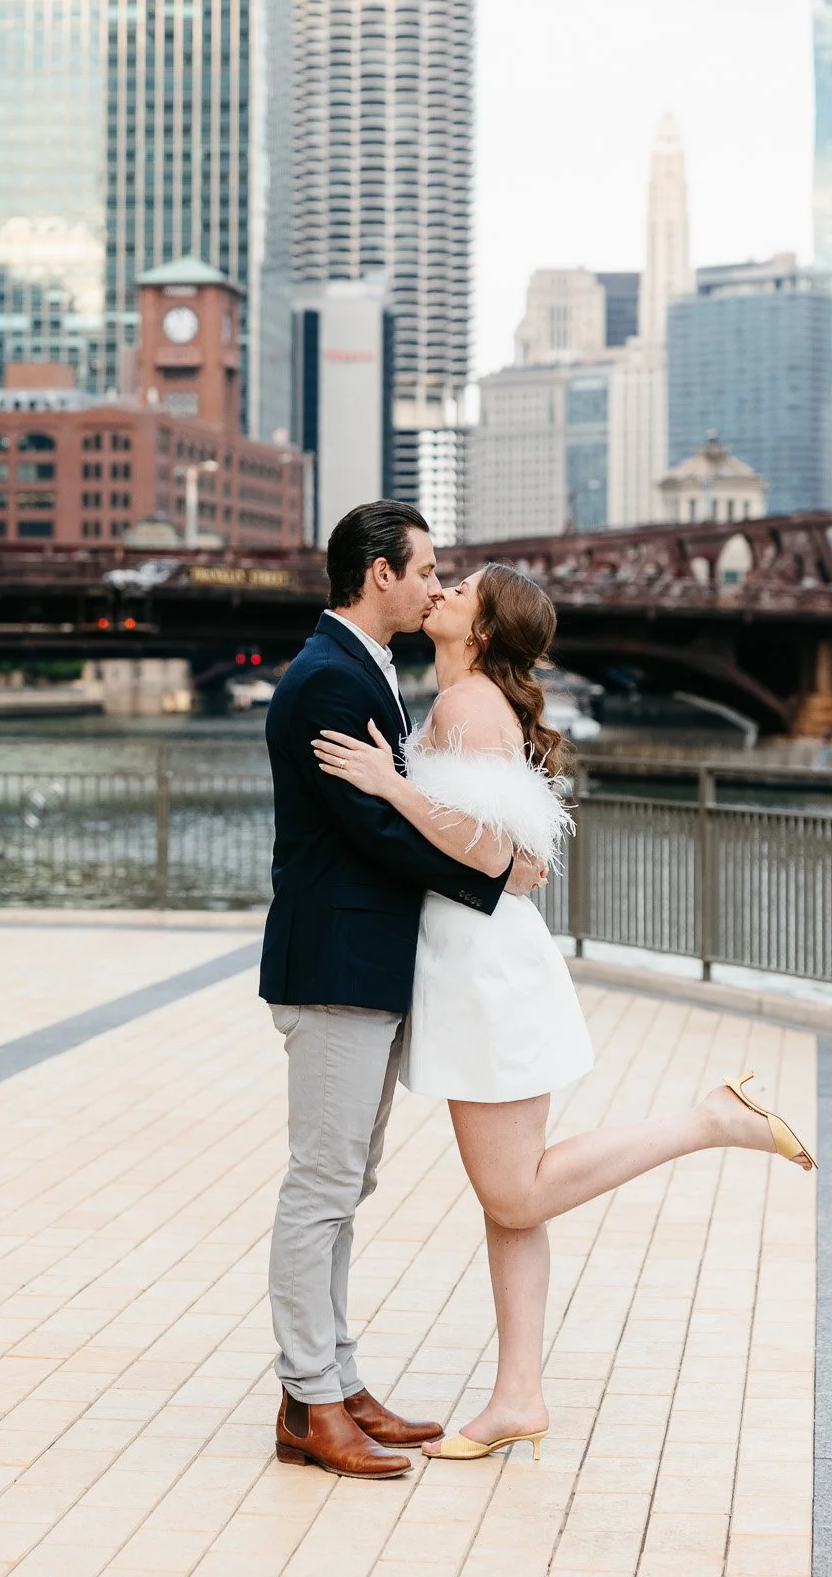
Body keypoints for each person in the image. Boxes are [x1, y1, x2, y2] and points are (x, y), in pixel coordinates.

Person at [313, 561, 815, 1464]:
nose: (442, 591)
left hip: (483, 972)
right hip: (482, 961)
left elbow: (496, 847)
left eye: (458, 588)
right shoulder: (467, 701)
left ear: (484, 628)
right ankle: (518, 1399)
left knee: (513, 1190)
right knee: (513, 1210)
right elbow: (520, 857)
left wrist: (390, 786)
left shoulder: (467, 708)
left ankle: (709, 1120)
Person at [260, 501, 543, 1480]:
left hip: (365, 969)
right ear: (379, 573)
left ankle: (336, 1380)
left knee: (346, 1184)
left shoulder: (362, 669)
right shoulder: (328, 681)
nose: (434, 584)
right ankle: (310, 1402)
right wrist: (492, 876)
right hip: (335, 967)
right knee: (321, 1188)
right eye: (426, 568)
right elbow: (369, 833)